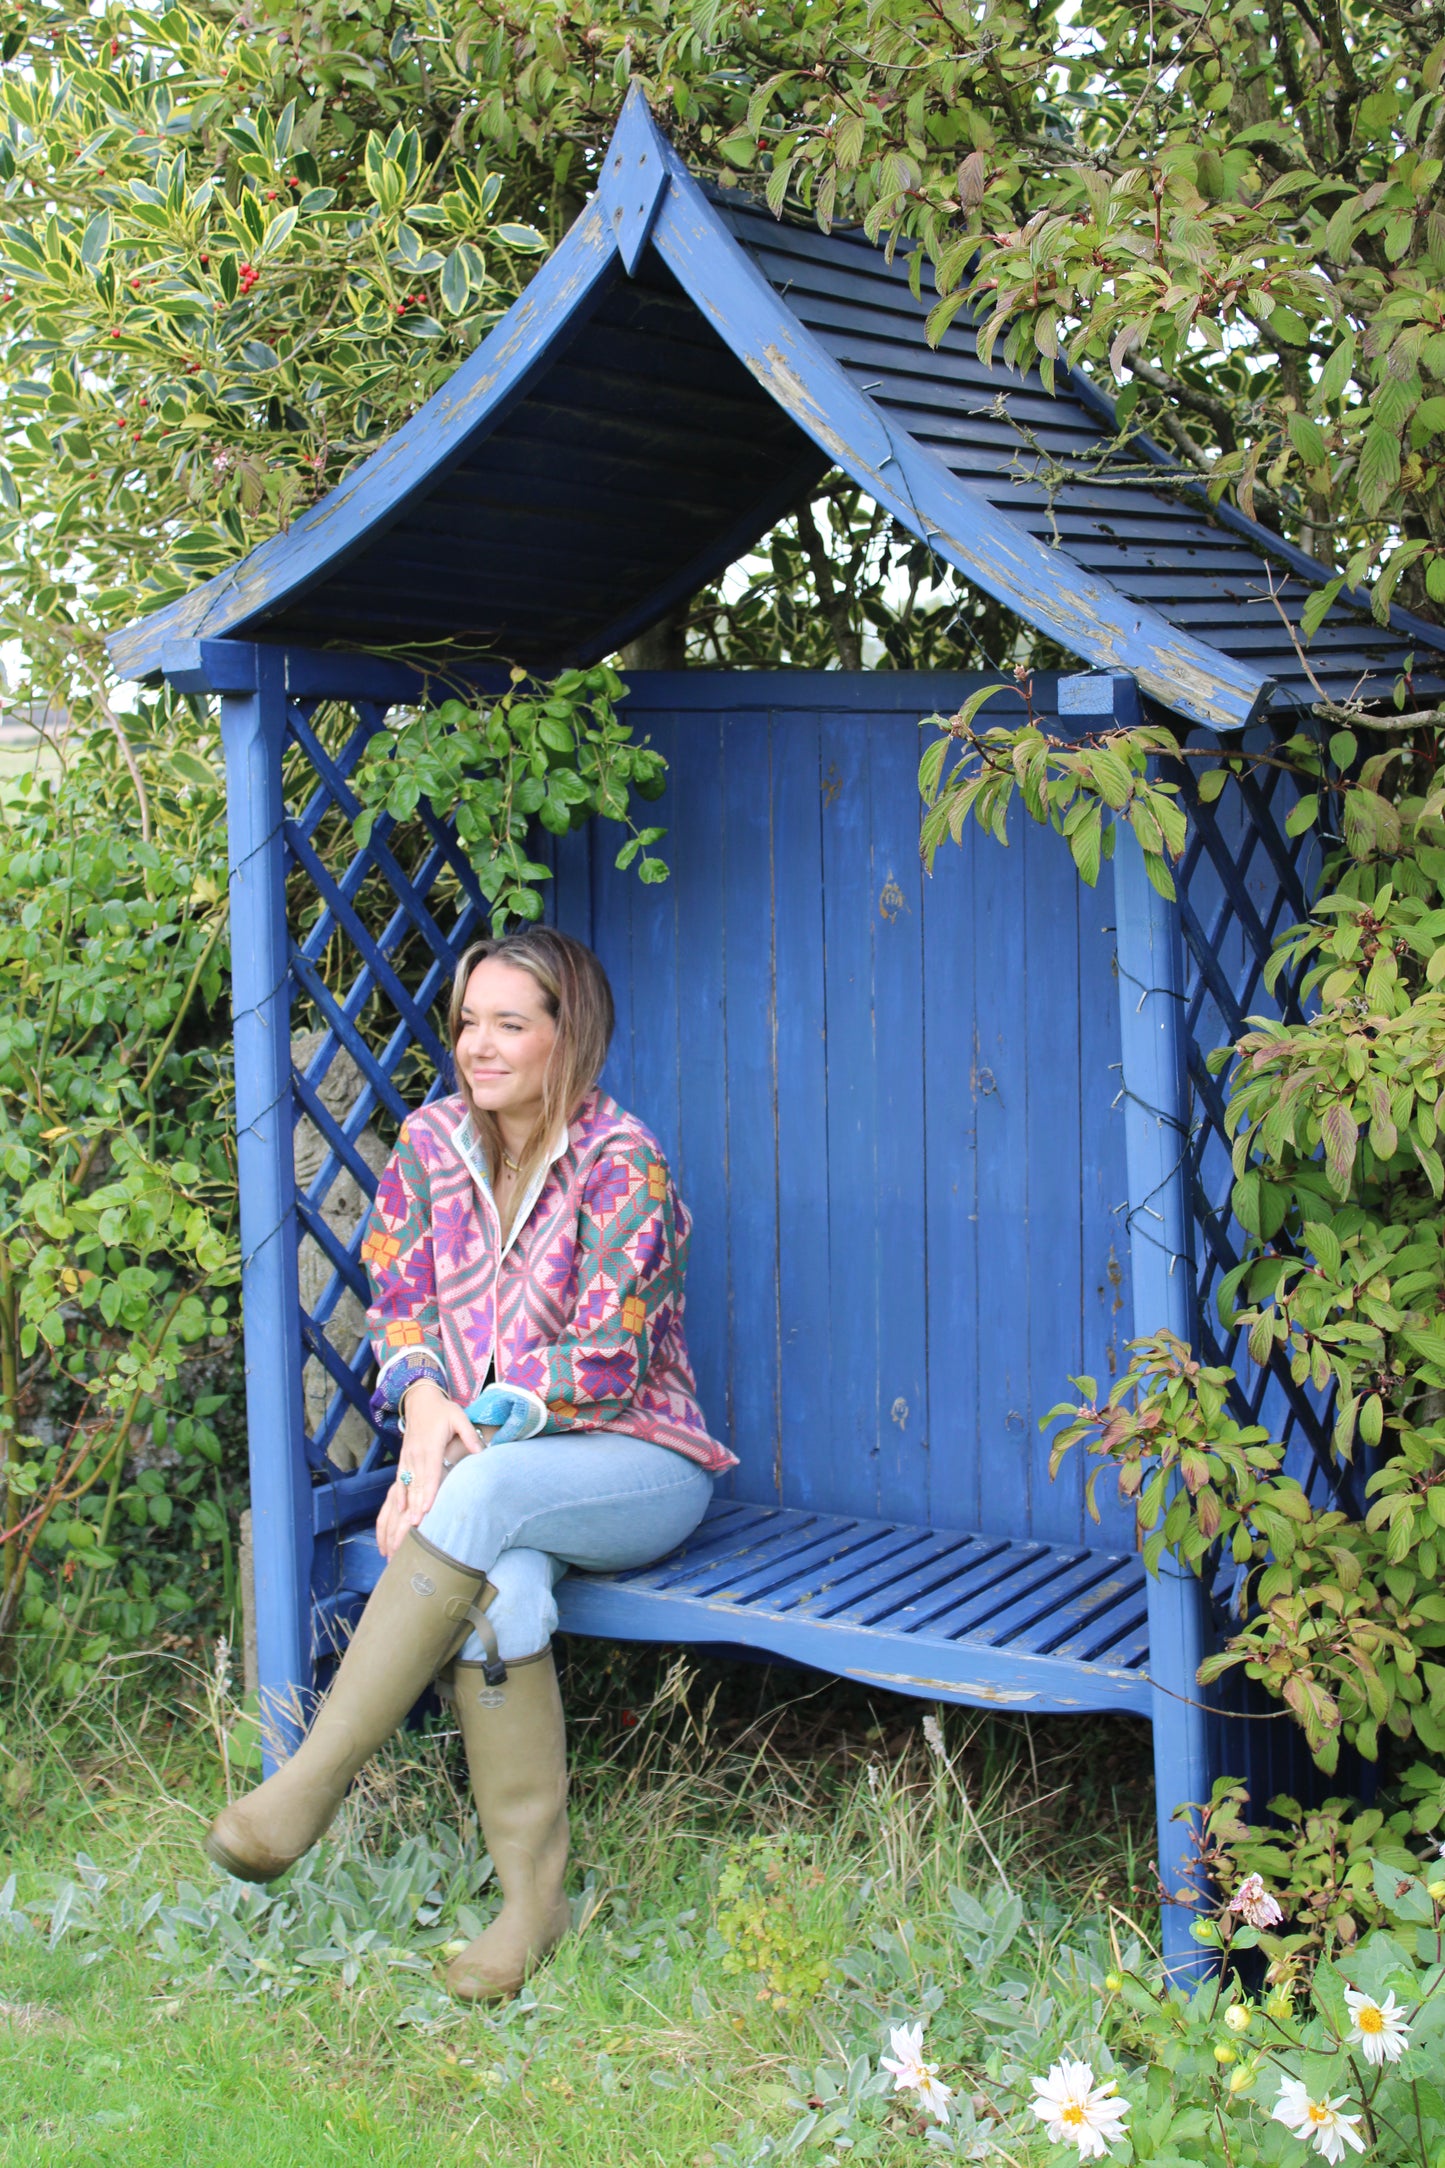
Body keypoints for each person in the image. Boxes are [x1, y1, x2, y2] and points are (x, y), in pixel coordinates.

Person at [204, 928, 734, 1999]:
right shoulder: (430, 1140)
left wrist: (447, 1457)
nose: (477, 1045)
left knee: (481, 1496)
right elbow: (398, 1303)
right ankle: (533, 1903)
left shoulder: (621, 1158)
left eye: (509, 1022)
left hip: (633, 1461)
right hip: (484, 1482)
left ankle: (310, 1780)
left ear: (564, 1034)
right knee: (497, 1595)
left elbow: (608, 1357)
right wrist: (427, 1410)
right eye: (467, 1021)